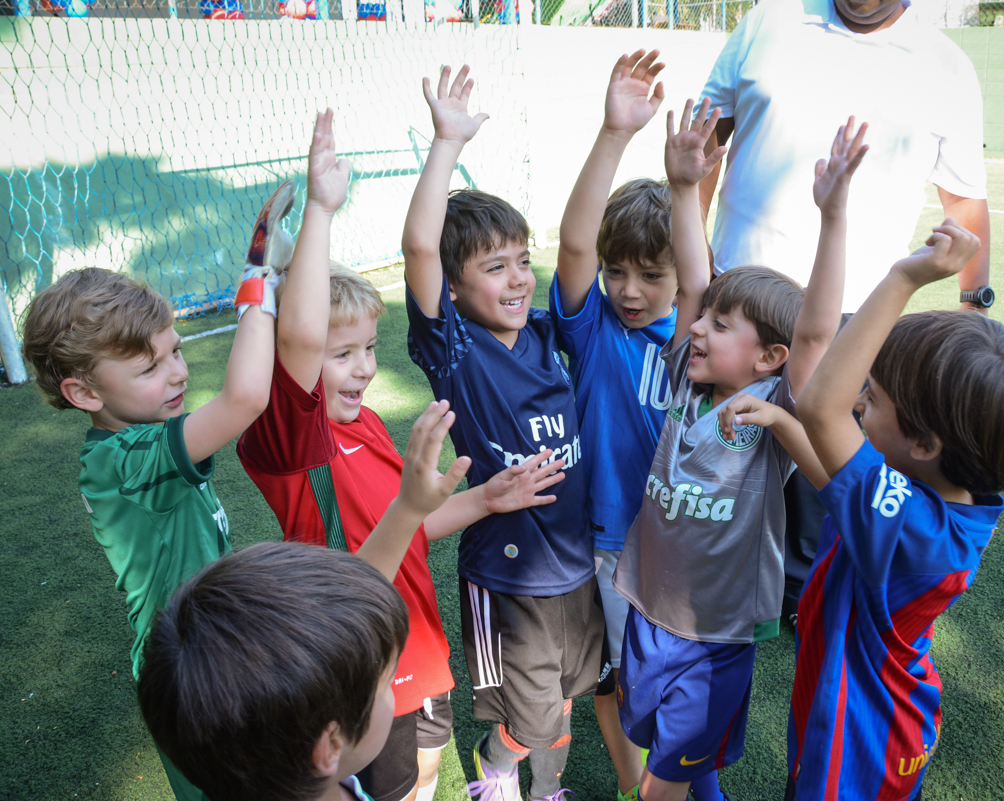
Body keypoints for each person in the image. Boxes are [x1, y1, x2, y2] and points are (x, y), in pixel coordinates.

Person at [237, 110, 567, 801]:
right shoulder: (294, 445)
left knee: (420, 778)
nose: (361, 370)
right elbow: (295, 344)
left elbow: (404, 525)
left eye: (367, 350)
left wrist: (483, 498)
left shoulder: (368, 429)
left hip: (417, 649)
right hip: (358, 663)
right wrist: (319, 213)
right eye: (341, 355)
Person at [715, 220, 1004, 799]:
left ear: (925, 444)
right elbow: (838, 490)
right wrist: (781, 421)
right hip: (869, 709)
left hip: (860, 735)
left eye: (871, 400)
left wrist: (905, 277)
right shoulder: (939, 504)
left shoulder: (914, 530)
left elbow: (823, 402)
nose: (857, 404)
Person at [698, 0, 996, 620]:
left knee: (825, 473)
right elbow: (706, 138)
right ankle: (707, 567)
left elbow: (965, 198)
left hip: (854, 313)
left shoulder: (946, 66)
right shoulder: (767, 21)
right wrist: (694, 259)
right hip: (736, 288)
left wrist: (975, 306)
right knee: (712, 446)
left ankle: (803, 598)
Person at [611, 117, 866, 801]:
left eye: (721, 325)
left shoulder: (773, 405)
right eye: (704, 317)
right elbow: (696, 275)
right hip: (646, 612)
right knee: (678, 753)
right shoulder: (682, 372)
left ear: (769, 358)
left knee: (659, 784)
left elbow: (815, 328)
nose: (694, 326)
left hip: (713, 638)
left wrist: (833, 216)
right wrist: (682, 184)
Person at [20, 180, 285, 799]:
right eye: (149, 368)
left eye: (175, 351)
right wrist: (257, 279)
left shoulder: (141, 437)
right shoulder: (124, 458)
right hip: (189, 666)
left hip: (213, 640)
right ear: (85, 394)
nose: (178, 372)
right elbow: (245, 398)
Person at [403, 65, 607, 801]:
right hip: (511, 576)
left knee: (563, 704)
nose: (519, 279)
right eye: (496, 267)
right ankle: (494, 774)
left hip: (577, 564)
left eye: (523, 260)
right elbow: (422, 250)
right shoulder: (457, 352)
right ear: (456, 292)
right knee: (528, 713)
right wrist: (446, 146)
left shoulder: (550, 336)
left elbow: (577, 264)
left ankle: (542, 787)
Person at [138, 399, 478, 801]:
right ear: (330, 746)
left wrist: (408, 510)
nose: (393, 689)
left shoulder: (333, 782)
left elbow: (356, 597)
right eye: (383, 683)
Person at [550, 49, 688, 801]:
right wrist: (614, 133)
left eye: (650, 274)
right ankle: (641, 786)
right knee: (615, 675)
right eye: (617, 271)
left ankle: (671, 780)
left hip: (677, 543)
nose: (629, 290)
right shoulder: (595, 325)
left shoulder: (699, 335)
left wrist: (691, 186)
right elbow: (575, 246)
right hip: (603, 541)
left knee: (672, 679)